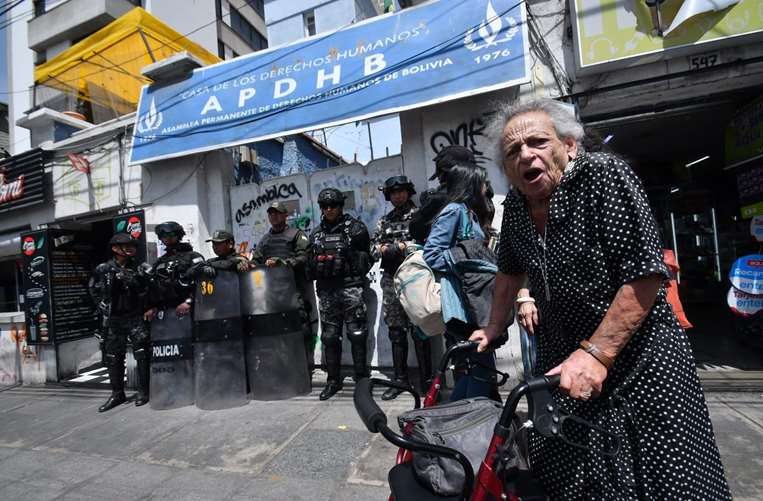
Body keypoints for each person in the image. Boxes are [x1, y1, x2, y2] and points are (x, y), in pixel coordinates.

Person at [471, 98, 730, 499]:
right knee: (571, 472)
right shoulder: (519, 207)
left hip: (638, 360)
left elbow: (644, 274)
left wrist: (596, 353)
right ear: (506, 169)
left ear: (569, 146)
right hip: (564, 358)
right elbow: (509, 270)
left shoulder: (603, 175)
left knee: (663, 478)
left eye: (538, 142)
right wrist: (491, 326)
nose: (526, 154)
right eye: (513, 151)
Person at [422, 163, 499, 401]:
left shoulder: (469, 212)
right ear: (471, 184)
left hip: (473, 299)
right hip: (462, 302)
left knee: (475, 366)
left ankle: (458, 421)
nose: (486, 187)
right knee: (480, 365)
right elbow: (432, 254)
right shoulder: (454, 210)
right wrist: (465, 263)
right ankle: (469, 422)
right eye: (482, 182)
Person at [307, 188, 375, 400]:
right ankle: (333, 380)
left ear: (340, 206)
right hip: (327, 290)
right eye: (325, 206)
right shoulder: (317, 233)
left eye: (333, 205)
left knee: (357, 333)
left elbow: (368, 259)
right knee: (329, 337)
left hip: (350, 287)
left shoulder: (355, 229)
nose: (329, 210)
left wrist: (350, 254)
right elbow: (309, 265)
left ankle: (362, 378)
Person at [371, 176, 433, 400]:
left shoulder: (420, 216)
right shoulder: (384, 221)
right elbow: (373, 249)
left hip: (416, 279)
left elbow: (429, 243)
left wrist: (404, 247)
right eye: (393, 192)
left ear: (408, 192)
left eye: (401, 191)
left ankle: (427, 381)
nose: (398, 195)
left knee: (420, 330)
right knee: (396, 332)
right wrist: (384, 249)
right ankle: (400, 381)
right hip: (391, 280)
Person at [88, 234, 150, 412]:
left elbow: (150, 289)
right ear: (115, 248)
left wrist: (136, 283)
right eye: (126, 245)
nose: (131, 248)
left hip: (136, 317)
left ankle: (144, 391)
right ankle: (117, 393)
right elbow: (93, 289)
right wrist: (103, 306)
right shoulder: (103, 268)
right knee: (114, 357)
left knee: (142, 354)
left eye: (133, 245)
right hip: (114, 319)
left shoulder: (140, 267)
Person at [251, 201, 314, 370]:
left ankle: (304, 365)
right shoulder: (265, 240)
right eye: (271, 213)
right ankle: (282, 367)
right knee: (276, 330)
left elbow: (304, 257)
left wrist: (284, 263)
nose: (274, 216)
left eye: (278, 213)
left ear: (286, 215)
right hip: (272, 294)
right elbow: (255, 262)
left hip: (293, 291)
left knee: (300, 327)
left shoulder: (296, 235)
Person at [409, 145, 476, 243]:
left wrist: (427, 207)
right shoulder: (481, 194)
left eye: (440, 173)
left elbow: (415, 230)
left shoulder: (440, 198)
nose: (438, 179)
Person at [144, 221, 208, 322]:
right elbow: (156, 288)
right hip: (167, 313)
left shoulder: (193, 256)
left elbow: (202, 283)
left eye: (171, 234)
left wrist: (189, 302)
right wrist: (154, 307)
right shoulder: (160, 261)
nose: (167, 238)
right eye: (164, 235)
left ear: (179, 235)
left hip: (191, 309)